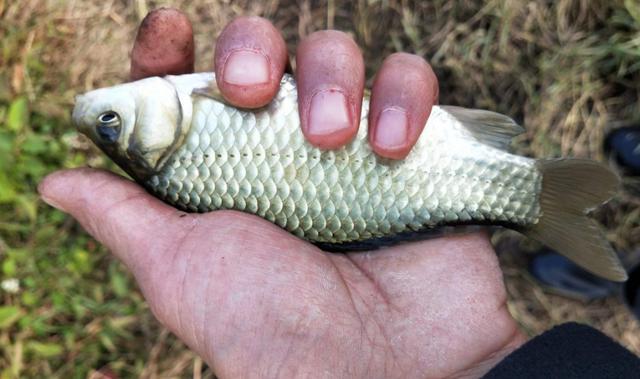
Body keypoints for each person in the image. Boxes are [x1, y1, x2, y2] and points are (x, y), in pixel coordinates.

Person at [38, 8, 640, 378]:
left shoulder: (183, 161)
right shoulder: (181, 156)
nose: (99, 115)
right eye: (111, 127)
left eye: (109, 125)